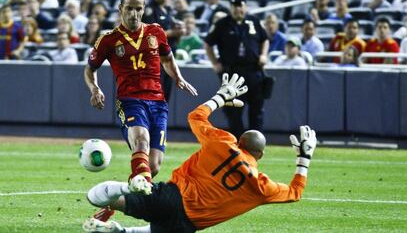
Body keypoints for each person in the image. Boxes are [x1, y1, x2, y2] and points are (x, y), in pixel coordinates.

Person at [82, 73, 318, 233]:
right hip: (189, 226)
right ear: (260, 155)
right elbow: (295, 192)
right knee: (155, 230)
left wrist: (222, 97)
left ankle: (130, 187)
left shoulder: (224, 142)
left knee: (95, 195)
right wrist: (304, 158)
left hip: (172, 198)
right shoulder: (261, 185)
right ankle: (119, 230)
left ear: (240, 140)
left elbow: (195, 116)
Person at [84, 0, 197, 221]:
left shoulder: (156, 32)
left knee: (152, 167)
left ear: (143, 9)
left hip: (158, 103)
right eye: (129, 8)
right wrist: (95, 88)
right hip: (130, 101)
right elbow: (89, 69)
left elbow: (167, 57)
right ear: (120, 9)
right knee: (141, 142)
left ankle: (113, 202)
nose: (134, 13)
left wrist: (178, 77)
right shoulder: (108, 40)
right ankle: (130, 202)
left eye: (138, 8)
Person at [204, 0, 269, 139]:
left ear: (245, 7)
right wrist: (214, 62)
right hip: (232, 73)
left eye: (240, 6)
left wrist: (264, 55)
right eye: (234, 6)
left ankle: (256, 143)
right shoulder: (222, 24)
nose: (237, 9)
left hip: (254, 71)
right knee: (233, 112)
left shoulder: (254, 21)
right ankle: (237, 144)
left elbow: (265, 39)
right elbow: (208, 43)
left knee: (257, 110)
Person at [142, 0, 186, 102]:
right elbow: (150, 36)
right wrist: (173, 32)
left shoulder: (168, 10)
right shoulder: (149, 9)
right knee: (153, 98)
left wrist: (179, 32)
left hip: (168, 61)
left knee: (165, 98)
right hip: (154, 62)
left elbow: (173, 38)